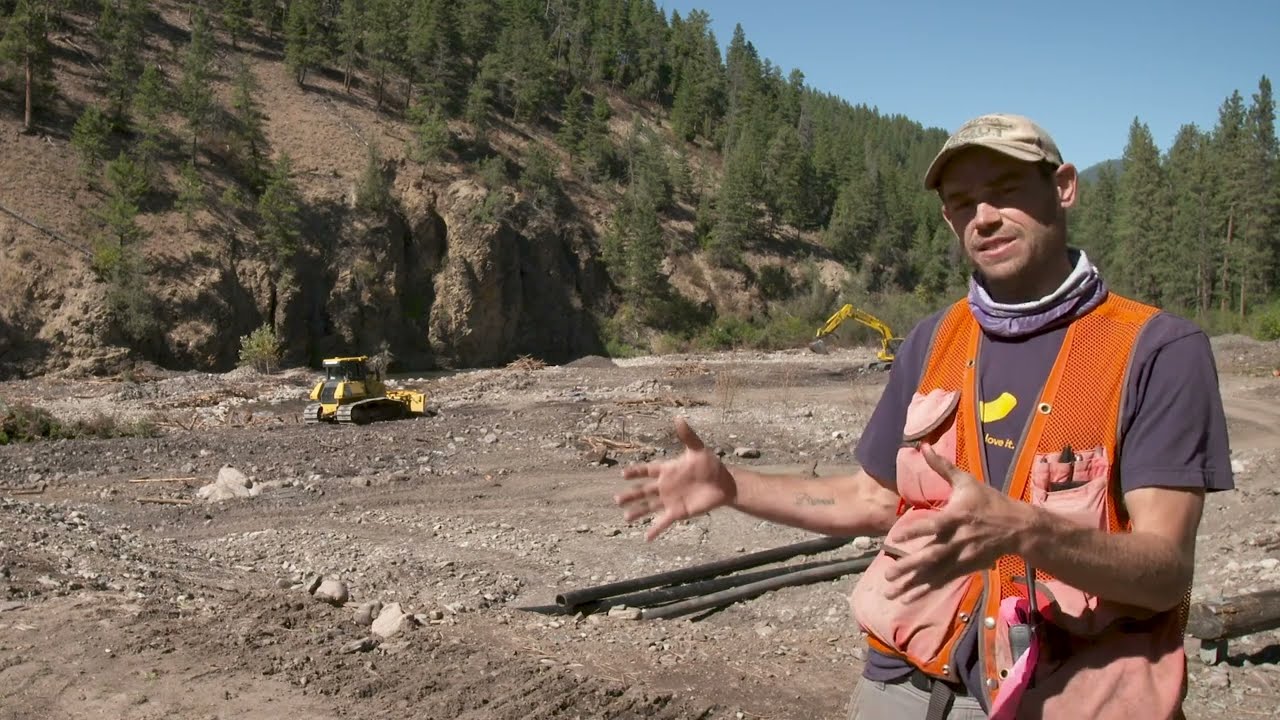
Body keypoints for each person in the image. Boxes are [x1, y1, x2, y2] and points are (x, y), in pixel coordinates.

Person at [613, 113, 1234, 720]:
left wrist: (1027, 532)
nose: (983, 217)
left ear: (1064, 187)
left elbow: (1164, 571)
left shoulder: (1155, 349)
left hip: (1075, 691)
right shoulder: (933, 340)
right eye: (963, 203)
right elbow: (873, 500)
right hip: (906, 687)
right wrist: (731, 487)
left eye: (1006, 191)